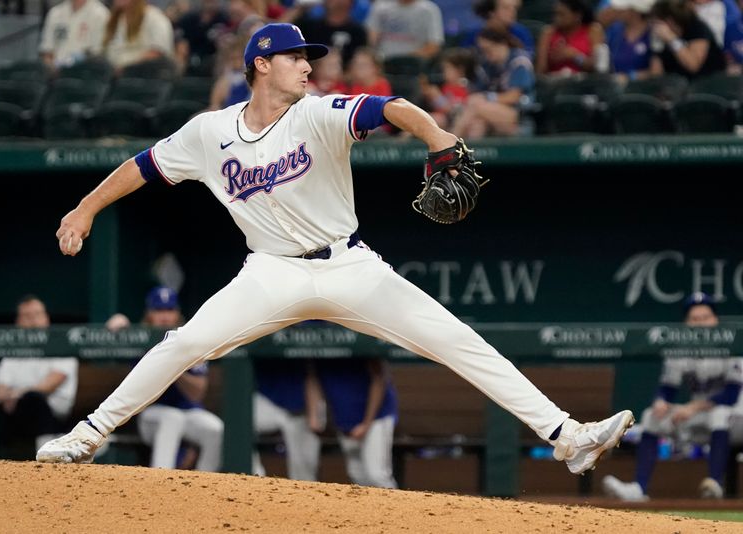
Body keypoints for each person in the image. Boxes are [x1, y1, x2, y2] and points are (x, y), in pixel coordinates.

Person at [36, 23, 634, 479]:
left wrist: (436, 135)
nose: (307, 66)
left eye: (309, 58)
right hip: (270, 272)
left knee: (456, 338)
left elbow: (388, 106)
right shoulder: (207, 133)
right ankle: (86, 435)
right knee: (185, 342)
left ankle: (568, 437)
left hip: (348, 265)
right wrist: (85, 208)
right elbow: (142, 167)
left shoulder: (318, 114)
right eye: (296, 57)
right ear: (261, 65)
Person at [602, 292, 743, 501]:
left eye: (705, 317)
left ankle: (714, 484)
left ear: (715, 320)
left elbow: (730, 395)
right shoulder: (681, 348)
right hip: (702, 418)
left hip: (736, 419)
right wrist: (661, 401)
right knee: (652, 416)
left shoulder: (733, 343)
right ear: (686, 324)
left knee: (719, 413)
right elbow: (668, 388)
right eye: (695, 319)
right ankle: (639, 489)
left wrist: (692, 408)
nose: (701, 323)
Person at [106, 286, 224, 472]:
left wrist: (174, 365)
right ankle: (161, 481)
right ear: (149, 314)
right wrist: (118, 325)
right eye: (158, 310)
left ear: (177, 313)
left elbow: (197, 393)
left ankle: (204, 482)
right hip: (150, 415)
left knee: (215, 429)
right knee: (171, 418)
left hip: (187, 413)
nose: (164, 316)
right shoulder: (141, 337)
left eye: (169, 310)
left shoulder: (189, 338)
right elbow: (111, 340)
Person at [0, 296, 78, 456]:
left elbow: (49, 386)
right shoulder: (12, 353)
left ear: (46, 318)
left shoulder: (61, 345)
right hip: (16, 412)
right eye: (27, 316)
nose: (33, 321)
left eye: (37, 314)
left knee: (34, 399)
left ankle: (46, 458)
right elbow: (0, 392)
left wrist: (17, 394)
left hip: (54, 415)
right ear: (18, 322)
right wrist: (11, 398)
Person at [309, 357, 399, 488]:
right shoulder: (317, 348)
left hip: (377, 418)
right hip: (344, 419)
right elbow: (313, 379)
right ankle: (366, 508)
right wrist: (315, 416)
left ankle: (396, 508)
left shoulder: (363, 345)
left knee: (377, 475)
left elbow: (379, 379)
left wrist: (366, 424)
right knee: (356, 474)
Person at [451, 27, 534, 139]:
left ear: (502, 44)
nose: (486, 55)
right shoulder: (488, 65)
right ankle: (469, 156)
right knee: (477, 124)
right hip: (492, 112)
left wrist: (487, 97)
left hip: (519, 117)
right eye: (483, 51)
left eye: (488, 50)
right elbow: (477, 90)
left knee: (475, 104)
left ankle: (449, 146)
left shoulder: (519, 62)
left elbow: (513, 97)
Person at [252, 359, 324, 480]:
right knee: (240, 419)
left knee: (306, 473)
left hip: (301, 410)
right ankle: (252, 478)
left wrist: (315, 414)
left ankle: (304, 493)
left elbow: (312, 376)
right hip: (268, 403)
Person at [647, 0, 726, 80]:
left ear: (669, 21)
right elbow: (656, 75)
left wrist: (671, 39)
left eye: (657, 22)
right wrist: (657, 47)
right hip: (676, 85)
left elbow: (693, 65)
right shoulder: (660, 37)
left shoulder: (697, 28)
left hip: (707, 83)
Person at [535, 0, 607, 76]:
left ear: (577, 16)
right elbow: (540, 72)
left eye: (562, 14)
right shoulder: (548, 33)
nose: (556, 18)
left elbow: (598, 67)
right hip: (555, 83)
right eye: (555, 14)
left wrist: (575, 56)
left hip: (585, 83)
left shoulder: (593, 30)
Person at [103, 0, 175, 73]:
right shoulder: (114, 21)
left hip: (144, 77)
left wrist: (125, 69)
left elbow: (157, 53)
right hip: (112, 75)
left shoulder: (156, 20)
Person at [291, 0, 367, 67]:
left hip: (346, 80)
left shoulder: (358, 32)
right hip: (310, 75)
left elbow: (361, 60)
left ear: (350, 3)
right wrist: (299, 9)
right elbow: (282, 33)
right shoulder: (309, 26)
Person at [39, 0, 110, 69]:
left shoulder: (101, 14)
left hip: (86, 73)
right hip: (56, 73)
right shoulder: (55, 13)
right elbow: (47, 50)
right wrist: (51, 67)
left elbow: (97, 52)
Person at [365, 0, 444, 60]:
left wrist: (404, 59)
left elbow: (434, 46)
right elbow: (370, 39)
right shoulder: (381, 6)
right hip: (382, 61)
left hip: (414, 64)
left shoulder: (429, 10)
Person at [420, 47, 473, 130]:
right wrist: (430, 98)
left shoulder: (466, 88)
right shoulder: (445, 86)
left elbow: (455, 112)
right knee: (424, 117)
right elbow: (439, 109)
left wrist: (438, 98)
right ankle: (404, 139)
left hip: (458, 124)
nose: (444, 72)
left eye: (448, 68)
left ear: (460, 70)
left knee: (436, 118)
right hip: (443, 123)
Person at [459, 0, 535, 56]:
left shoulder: (521, 33)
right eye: (506, 8)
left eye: (514, 8)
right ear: (491, 12)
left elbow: (527, 61)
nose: (513, 11)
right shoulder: (473, 35)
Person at [604, 0, 655, 83]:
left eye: (623, 9)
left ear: (634, 11)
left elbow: (656, 72)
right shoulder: (615, 30)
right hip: (616, 90)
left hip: (644, 90)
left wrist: (630, 77)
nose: (618, 11)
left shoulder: (653, 33)